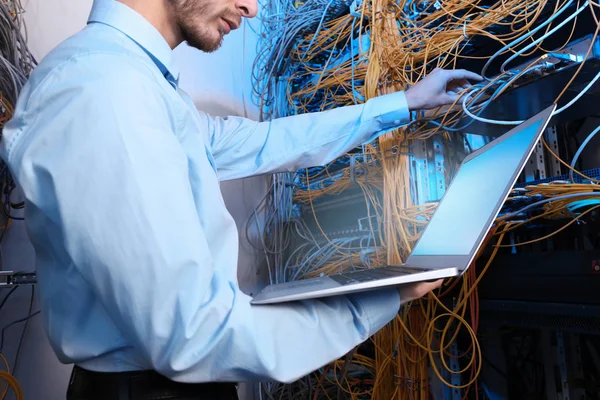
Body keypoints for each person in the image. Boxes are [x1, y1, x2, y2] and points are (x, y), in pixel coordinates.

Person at [1, 0, 482, 398]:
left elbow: (253, 142)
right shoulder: (104, 90)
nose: (251, 8)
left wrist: (404, 103)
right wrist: (384, 296)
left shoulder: (128, 79)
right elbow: (191, 334)